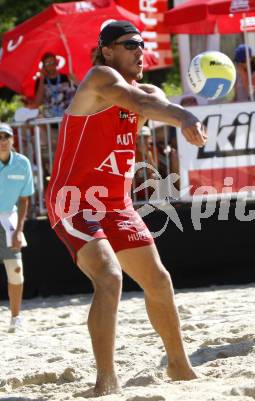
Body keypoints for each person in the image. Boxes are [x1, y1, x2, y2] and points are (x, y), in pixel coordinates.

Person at [45, 21, 206, 396]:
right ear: (107, 51)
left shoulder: (144, 89)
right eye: (130, 44)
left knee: (159, 281)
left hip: (116, 204)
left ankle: (179, 366)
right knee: (109, 276)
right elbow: (143, 104)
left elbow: (153, 100)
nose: (140, 50)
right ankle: (105, 382)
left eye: (143, 44)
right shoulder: (100, 79)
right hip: (74, 200)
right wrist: (183, 116)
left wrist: (183, 107)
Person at [0, 122, 34, 333]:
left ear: (13, 140)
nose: (2, 141)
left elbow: (24, 200)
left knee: (16, 272)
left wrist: (20, 230)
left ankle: (15, 318)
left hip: (9, 220)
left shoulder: (23, 164)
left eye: (6, 137)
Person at [32, 52, 77, 118]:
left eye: (52, 62)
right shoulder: (40, 81)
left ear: (56, 63)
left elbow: (75, 95)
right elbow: (38, 102)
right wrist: (42, 78)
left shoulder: (65, 77)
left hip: (66, 116)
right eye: (47, 63)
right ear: (43, 66)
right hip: (50, 118)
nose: (50, 65)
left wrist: (75, 80)